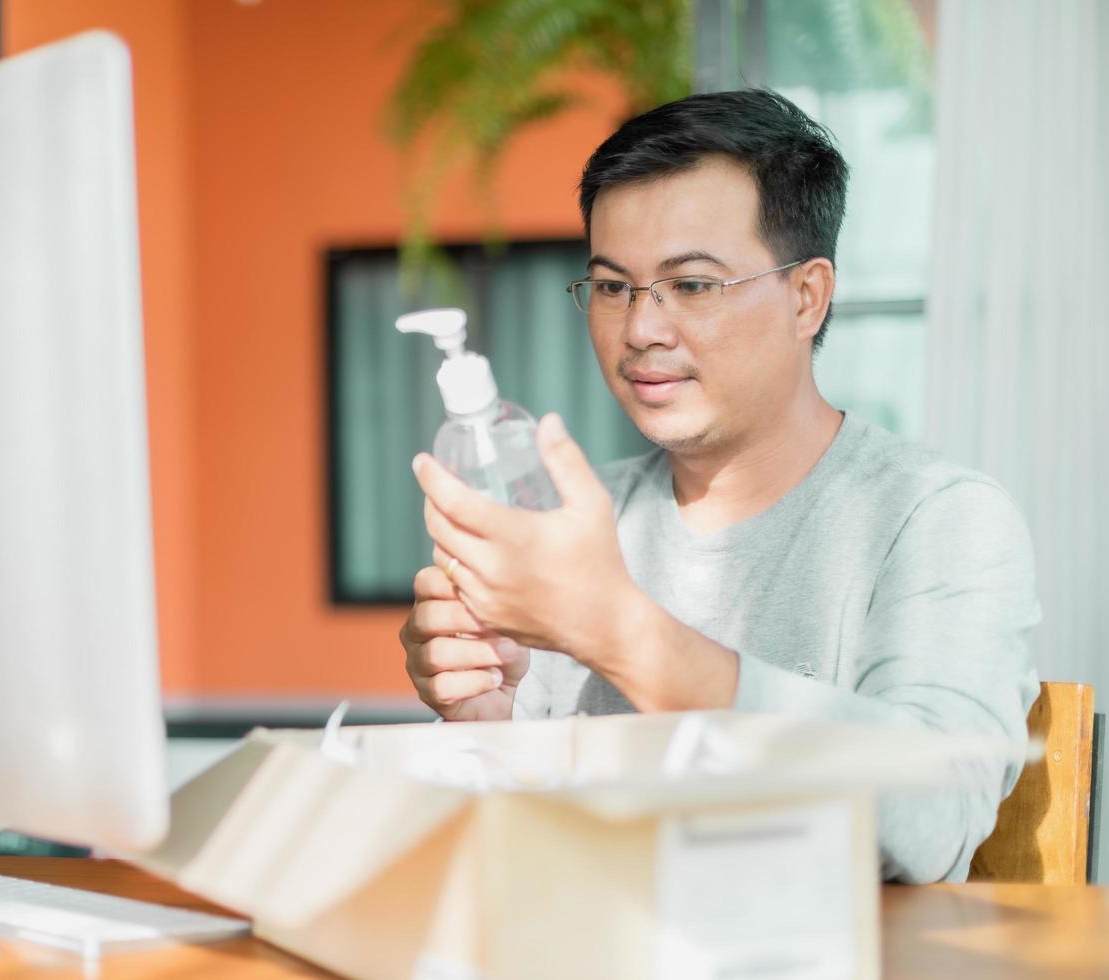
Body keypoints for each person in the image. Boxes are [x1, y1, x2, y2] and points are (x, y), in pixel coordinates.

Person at [398, 89, 1039, 884]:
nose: (641, 328)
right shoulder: (572, 519)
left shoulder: (936, 520)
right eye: (611, 286)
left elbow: (931, 821)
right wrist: (489, 723)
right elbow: (535, 853)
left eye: (693, 285)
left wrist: (620, 632)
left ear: (808, 297)